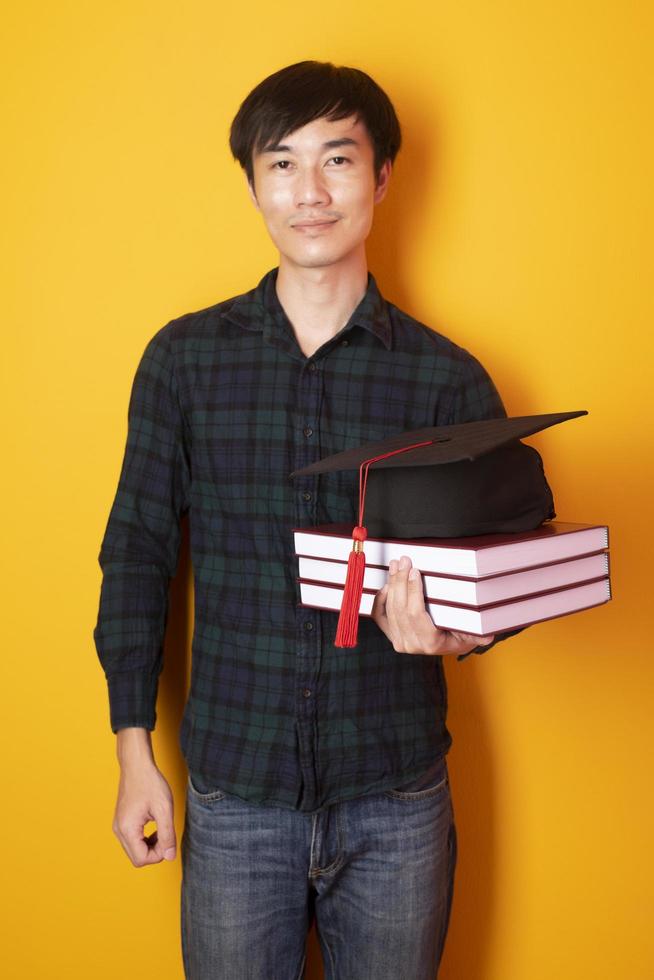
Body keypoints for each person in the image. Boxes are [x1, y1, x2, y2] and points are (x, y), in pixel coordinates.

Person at [93, 60, 516, 979]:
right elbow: (136, 554)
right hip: (236, 801)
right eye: (282, 164)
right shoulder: (184, 360)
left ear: (384, 174)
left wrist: (455, 634)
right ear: (252, 182)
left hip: (397, 798)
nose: (311, 192)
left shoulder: (447, 379)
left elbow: (498, 570)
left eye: (338, 159)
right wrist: (134, 750)